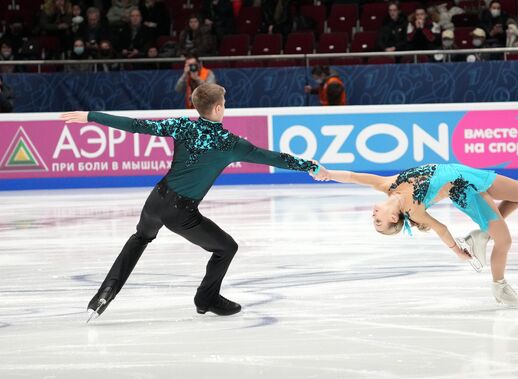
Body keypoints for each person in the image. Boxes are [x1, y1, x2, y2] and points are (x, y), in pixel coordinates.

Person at [60, 83, 325, 321]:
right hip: (180, 213)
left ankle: (104, 294)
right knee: (226, 248)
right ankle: (206, 298)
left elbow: (136, 125)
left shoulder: (182, 125)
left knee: (140, 238)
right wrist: (309, 166)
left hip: (155, 201)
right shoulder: (230, 143)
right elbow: (273, 158)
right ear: (219, 107)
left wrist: (90, 116)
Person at [312, 163, 518, 308]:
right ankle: (499, 286)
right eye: (378, 221)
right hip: (464, 189)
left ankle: (482, 236)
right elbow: (441, 228)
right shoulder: (413, 211)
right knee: (505, 240)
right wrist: (458, 251)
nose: (373, 215)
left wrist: (328, 174)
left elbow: (353, 177)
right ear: (394, 219)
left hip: (463, 170)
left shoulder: (386, 185)